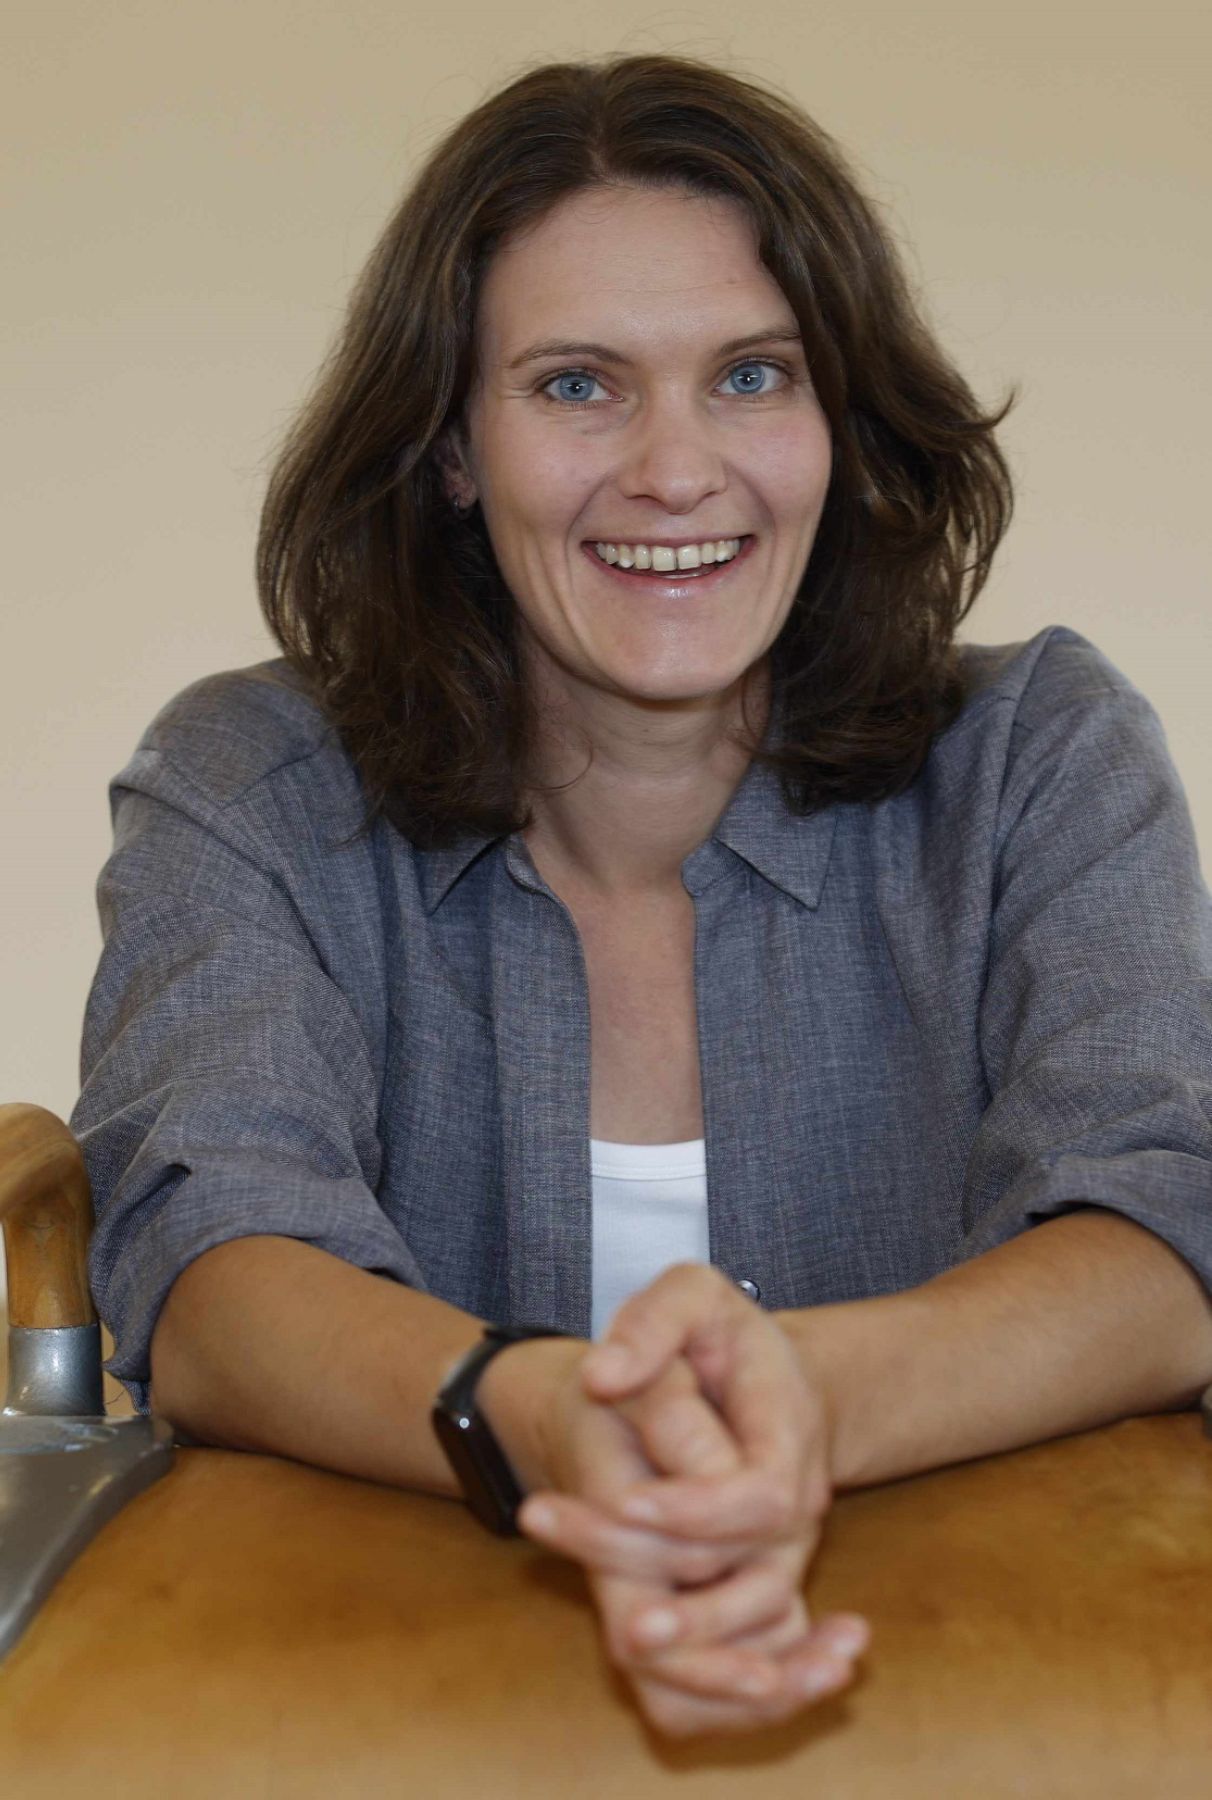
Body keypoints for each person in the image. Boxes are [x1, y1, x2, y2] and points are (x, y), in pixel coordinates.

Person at [68, 52, 1212, 1742]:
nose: (677, 471)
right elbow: (210, 1274)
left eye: (752, 375)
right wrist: (530, 1417)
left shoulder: (1045, 753)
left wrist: (798, 1400)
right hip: (394, 1714)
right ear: (451, 447)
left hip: (975, 1702)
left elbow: (1166, 1227)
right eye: (577, 386)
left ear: (839, 425)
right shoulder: (246, 786)